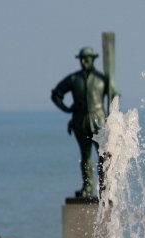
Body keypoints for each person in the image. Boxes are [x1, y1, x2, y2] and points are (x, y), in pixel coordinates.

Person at [51, 47, 119, 199]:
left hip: (100, 122)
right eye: (81, 58)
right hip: (80, 122)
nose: (83, 61)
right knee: (85, 156)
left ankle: (104, 188)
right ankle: (87, 187)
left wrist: (112, 116)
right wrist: (67, 109)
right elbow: (56, 94)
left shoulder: (103, 79)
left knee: (104, 156)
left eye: (86, 58)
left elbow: (116, 95)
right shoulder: (74, 79)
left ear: (93, 59)